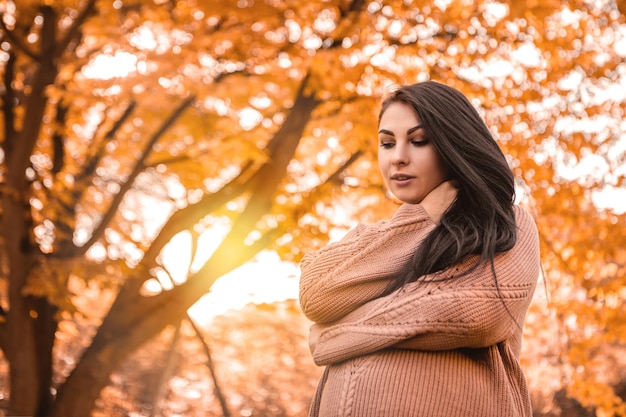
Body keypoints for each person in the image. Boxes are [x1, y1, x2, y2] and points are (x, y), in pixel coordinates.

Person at [299, 80, 540, 417]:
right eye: (386, 143)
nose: (397, 157)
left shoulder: (503, 223)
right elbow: (315, 295)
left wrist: (334, 336)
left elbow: (471, 315)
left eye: (419, 141)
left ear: (454, 144)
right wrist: (422, 218)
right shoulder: (373, 236)